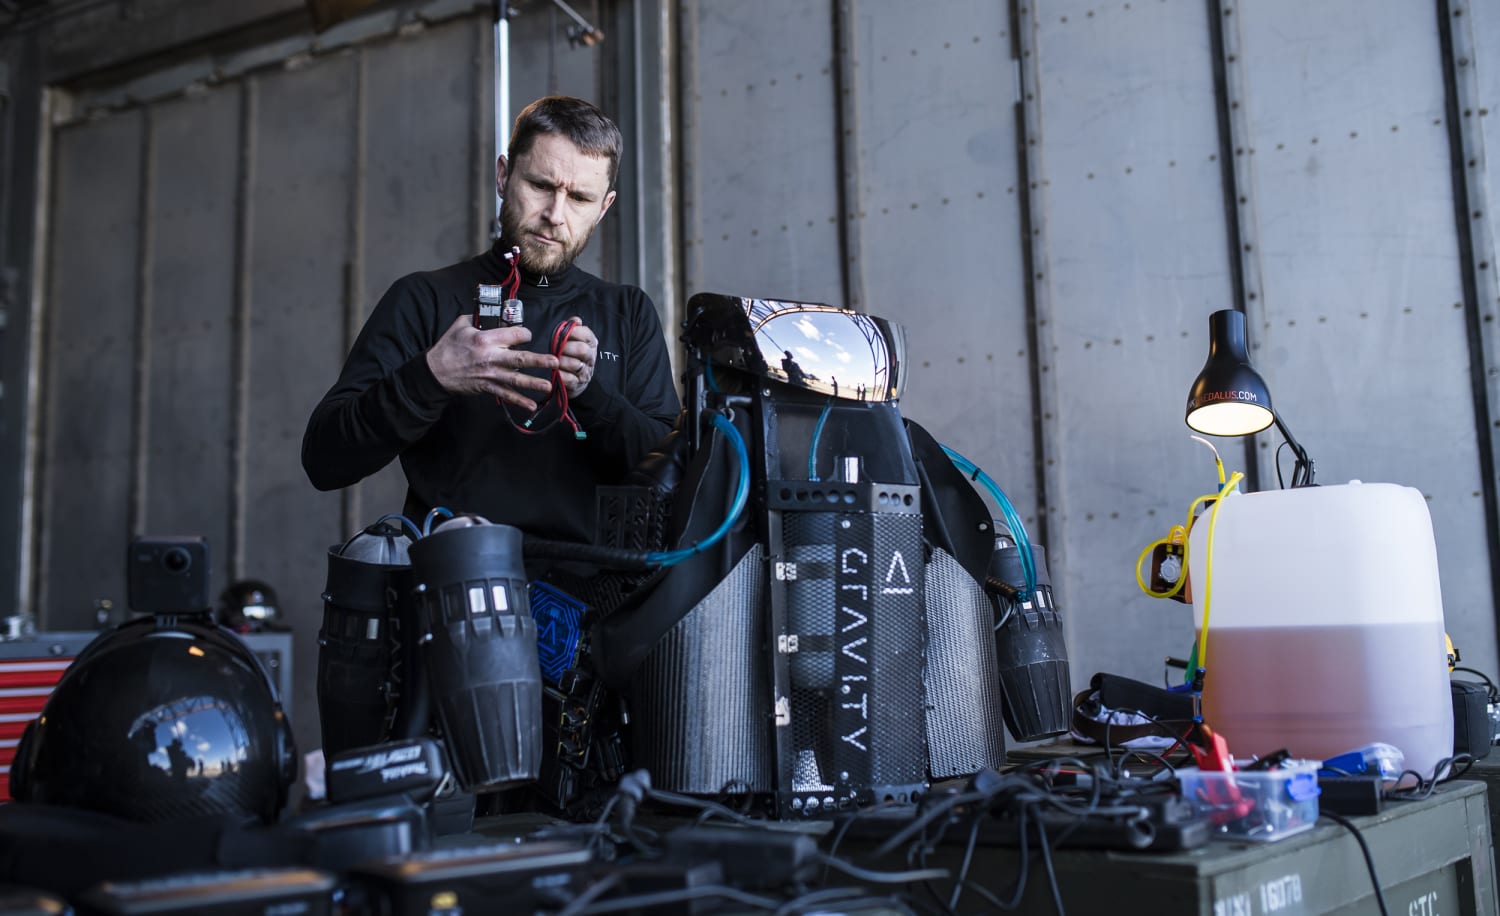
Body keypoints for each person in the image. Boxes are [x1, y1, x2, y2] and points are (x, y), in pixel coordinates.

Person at [303, 97, 680, 544]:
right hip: (454, 584)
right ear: (504, 176)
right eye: (541, 185)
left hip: (594, 596)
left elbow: (673, 479)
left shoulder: (628, 313)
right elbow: (326, 461)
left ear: (603, 207)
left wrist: (591, 395)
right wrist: (431, 376)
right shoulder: (425, 298)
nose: (555, 215)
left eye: (579, 197)